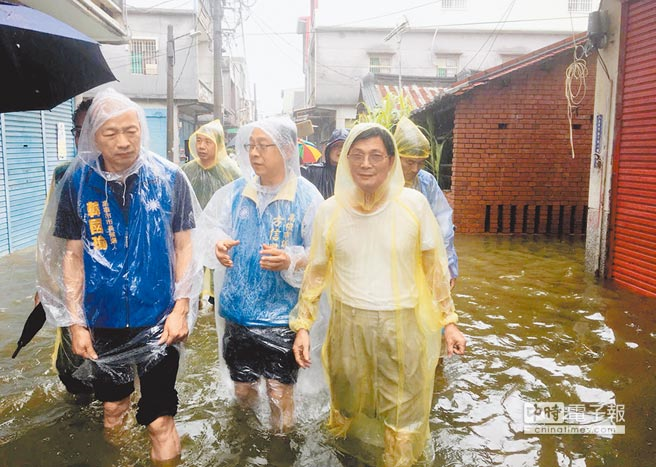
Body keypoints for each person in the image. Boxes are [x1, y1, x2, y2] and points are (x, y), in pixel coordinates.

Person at [36, 88, 202, 463]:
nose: (124, 142)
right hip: (103, 320)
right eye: (111, 133)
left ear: (142, 130)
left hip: (159, 317)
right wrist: (77, 323)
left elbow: (185, 247)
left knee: (160, 420)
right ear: (93, 136)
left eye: (131, 131)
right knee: (113, 410)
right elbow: (72, 256)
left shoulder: (169, 177)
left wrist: (181, 308)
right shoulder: (77, 183)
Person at [290, 123, 466, 467]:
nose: (365, 164)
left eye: (375, 155)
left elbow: (434, 269)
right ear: (345, 161)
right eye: (357, 155)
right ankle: (347, 457)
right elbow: (316, 271)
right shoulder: (330, 211)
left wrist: (449, 322)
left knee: (403, 413)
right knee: (346, 406)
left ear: (391, 161)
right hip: (347, 326)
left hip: (402, 327)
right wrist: (303, 326)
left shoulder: (413, 206)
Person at [200, 116, 323, 432]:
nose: (254, 153)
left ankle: (281, 448)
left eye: (263, 145)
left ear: (287, 149)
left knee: (279, 394)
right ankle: (245, 443)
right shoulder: (236, 192)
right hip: (239, 313)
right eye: (251, 145)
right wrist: (217, 243)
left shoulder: (307, 197)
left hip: (283, 318)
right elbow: (210, 227)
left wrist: (291, 259)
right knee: (243, 391)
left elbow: (323, 254)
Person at [394, 117, 459, 287]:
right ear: (396, 157)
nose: (415, 169)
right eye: (409, 162)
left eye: (420, 163)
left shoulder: (426, 182)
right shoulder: (381, 181)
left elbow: (443, 224)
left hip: (421, 255)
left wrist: (448, 265)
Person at [182, 120, 241, 304]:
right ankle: (194, 301)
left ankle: (218, 300)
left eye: (208, 142)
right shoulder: (188, 170)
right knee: (192, 266)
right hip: (193, 228)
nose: (201, 146)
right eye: (199, 140)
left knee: (219, 266)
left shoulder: (231, 170)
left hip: (221, 228)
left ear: (219, 144)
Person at [300, 128, 348, 199]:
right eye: (336, 146)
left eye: (343, 146)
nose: (340, 150)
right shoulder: (313, 171)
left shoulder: (354, 175)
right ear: (329, 150)